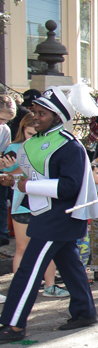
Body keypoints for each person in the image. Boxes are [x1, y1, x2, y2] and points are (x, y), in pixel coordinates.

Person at [0, 86, 98, 342]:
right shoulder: (32, 143)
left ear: (58, 116)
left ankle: (13, 324)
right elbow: (30, 177)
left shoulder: (70, 146)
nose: (35, 116)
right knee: (69, 264)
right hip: (46, 215)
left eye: (42, 113)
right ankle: (84, 311)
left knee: (28, 269)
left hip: (61, 216)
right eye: (34, 112)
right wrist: (13, 182)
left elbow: (69, 187)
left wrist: (27, 185)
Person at [2, 113, 69, 298]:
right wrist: (10, 166)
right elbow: (8, 176)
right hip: (22, 206)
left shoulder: (50, 147)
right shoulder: (14, 148)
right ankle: (19, 289)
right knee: (22, 248)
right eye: (29, 133)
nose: (32, 136)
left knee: (48, 247)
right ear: (22, 130)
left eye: (35, 132)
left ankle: (50, 286)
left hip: (46, 203)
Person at [0, 95, 17, 247]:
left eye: (6, 120)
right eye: (0, 118)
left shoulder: (4, 129)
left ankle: (2, 235)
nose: (2, 123)